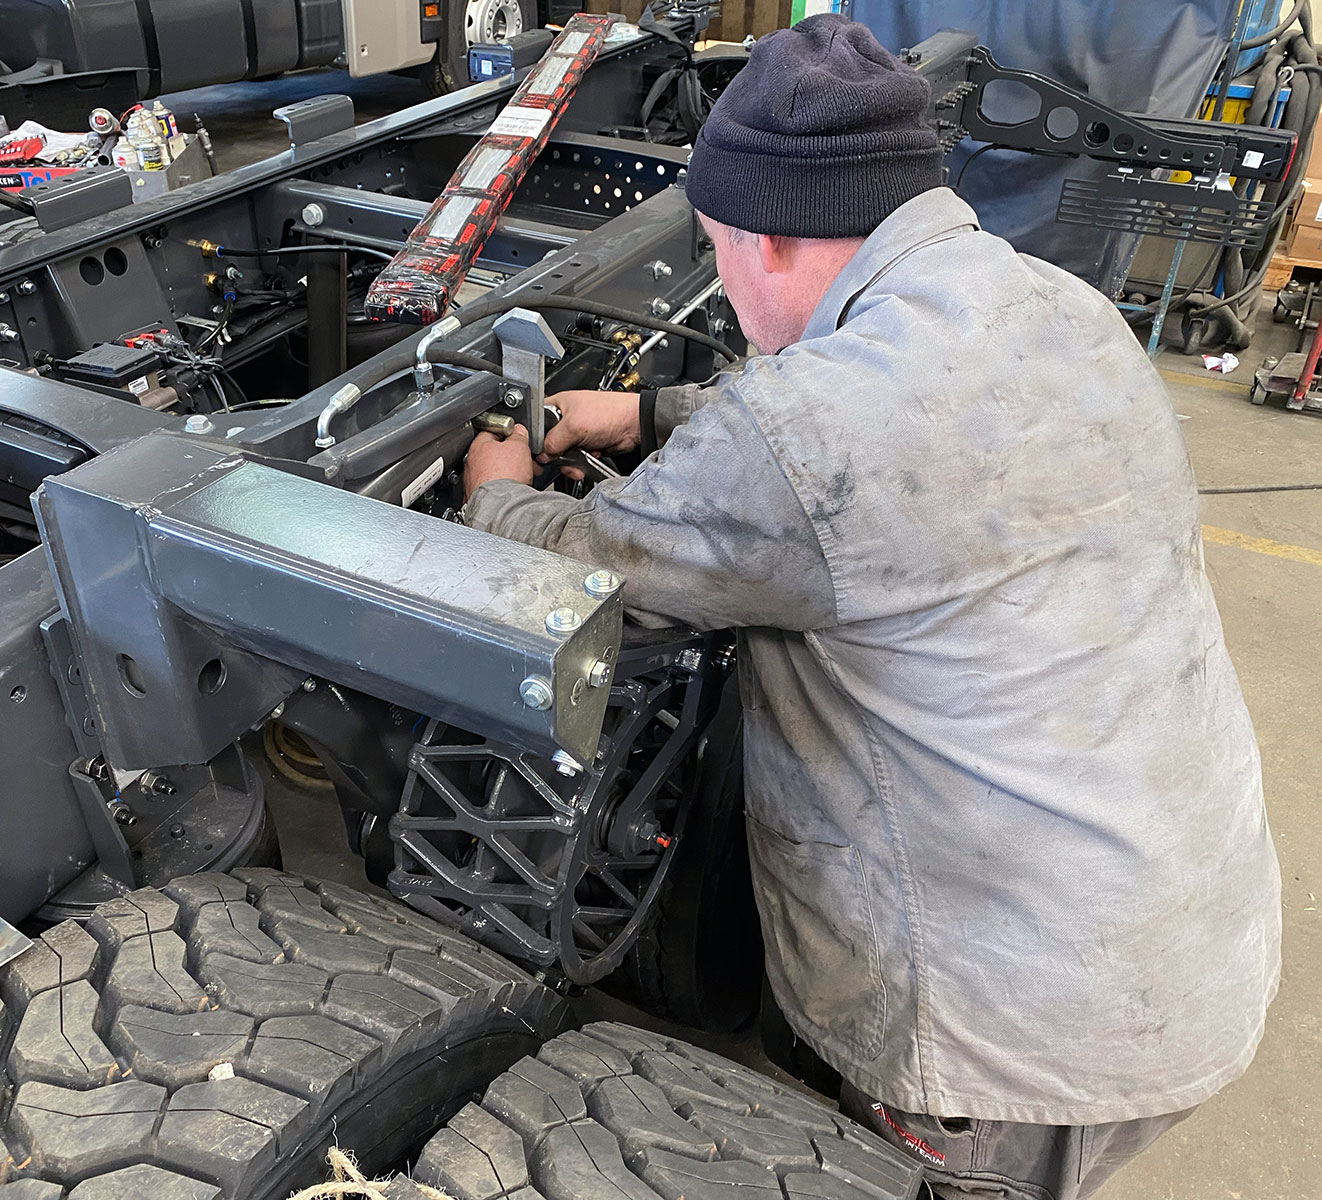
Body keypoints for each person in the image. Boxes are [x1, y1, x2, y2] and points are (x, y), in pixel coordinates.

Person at [461, 15, 1281, 1200]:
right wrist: (641, 417)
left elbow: (581, 580)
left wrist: (492, 497)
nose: (721, 269)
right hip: (1175, 937)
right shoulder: (1053, 307)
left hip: (1005, 1046)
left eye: (716, 245)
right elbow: (865, 447)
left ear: (774, 241)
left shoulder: (803, 435)